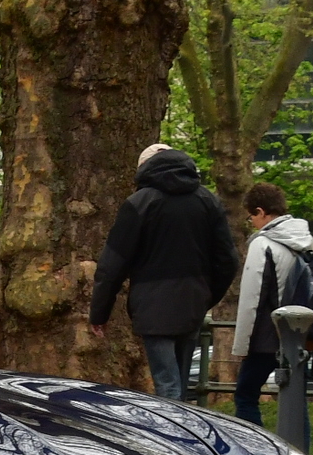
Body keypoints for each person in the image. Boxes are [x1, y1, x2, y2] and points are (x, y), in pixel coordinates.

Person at [87, 143, 237, 402]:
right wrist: (206, 295)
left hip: (152, 304)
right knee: (179, 378)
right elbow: (228, 260)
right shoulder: (207, 200)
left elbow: (113, 264)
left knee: (167, 384)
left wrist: (99, 312)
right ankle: (186, 433)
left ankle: (173, 438)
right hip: (192, 302)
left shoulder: (139, 203)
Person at [230, 181, 313, 428]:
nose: (251, 222)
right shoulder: (307, 242)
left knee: (245, 395)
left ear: (261, 212)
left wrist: (241, 346)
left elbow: (252, 300)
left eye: (252, 216)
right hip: (299, 334)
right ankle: (300, 452)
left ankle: (255, 452)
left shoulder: (262, 244)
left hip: (266, 336)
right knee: (296, 398)